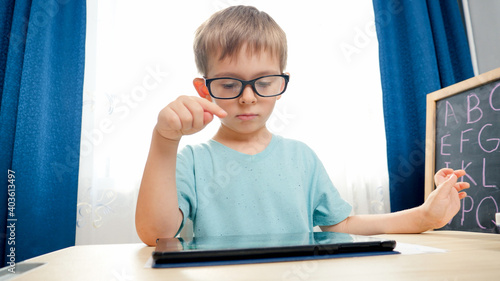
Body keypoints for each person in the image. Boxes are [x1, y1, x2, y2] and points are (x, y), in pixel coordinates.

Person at [135, 5, 469, 246]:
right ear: (204, 89)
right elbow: (156, 234)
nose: (248, 98)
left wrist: (424, 216)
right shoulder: (192, 161)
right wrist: (164, 139)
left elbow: (342, 226)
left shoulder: (301, 158)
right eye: (229, 83)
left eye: (264, 82)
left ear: (282, 84)